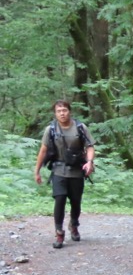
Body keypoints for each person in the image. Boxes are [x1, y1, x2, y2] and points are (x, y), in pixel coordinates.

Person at [33, 100, 96, 249]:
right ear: (55, 113)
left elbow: (90, 146)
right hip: (58, 170)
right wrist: (37, 171)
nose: (62, 113)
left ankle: (73, 224)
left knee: (75, 202)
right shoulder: (51, 129)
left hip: (76, 170)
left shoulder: (80, 127)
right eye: (59, 111)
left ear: (69, 111)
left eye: (65, 110)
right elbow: (43, 150)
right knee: (59, 199)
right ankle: (59, 232)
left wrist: (90, 162)